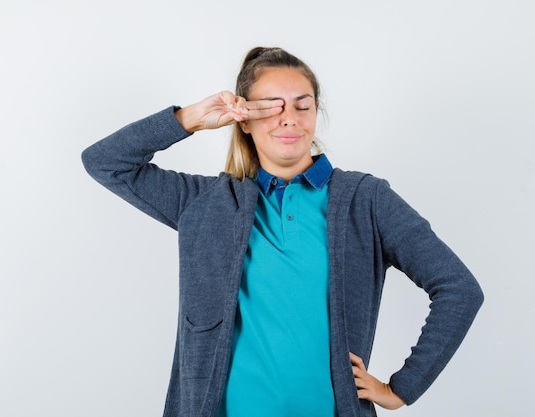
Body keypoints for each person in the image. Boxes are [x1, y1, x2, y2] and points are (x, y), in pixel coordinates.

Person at [81, 47, 484, 417]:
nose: (289, 118)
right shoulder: (205, 202)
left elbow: (458, 288)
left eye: (301, 106)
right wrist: (189, 119)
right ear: (245, 120)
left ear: (315, 113)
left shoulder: (365, 199)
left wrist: (400, 389)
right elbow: (105, 163)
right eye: (271, 107)